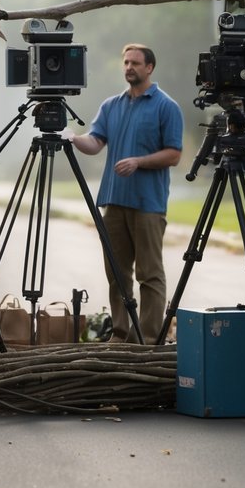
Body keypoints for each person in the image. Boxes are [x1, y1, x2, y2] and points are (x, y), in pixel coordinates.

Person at [67, 43, 182, 343]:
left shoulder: (166, 106)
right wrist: (74, 139)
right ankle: (120, 335)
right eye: (126, 62)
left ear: (149, 68)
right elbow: (95, 143)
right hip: (114, 202)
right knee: (117, 274)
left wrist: (139, 162)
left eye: (135, 63)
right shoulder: (111, 105)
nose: (129, 67)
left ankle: (147, 338)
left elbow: (174, 155)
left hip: (148, 204)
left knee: (149, 274)